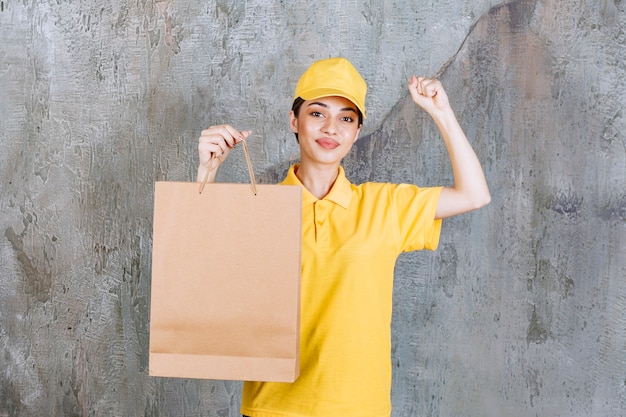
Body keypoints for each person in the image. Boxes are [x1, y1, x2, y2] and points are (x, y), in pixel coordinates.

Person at [197, 57, 490, 417]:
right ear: (295, 120)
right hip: (272, 408)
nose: (331, 128)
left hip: (359, 408)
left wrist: (442, 112)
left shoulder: (385, 205)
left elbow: (474, 194)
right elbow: (201, 275)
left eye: (346, 118)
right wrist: (206, 173)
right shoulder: (262, 208)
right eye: (317, 113)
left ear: (356, 131)